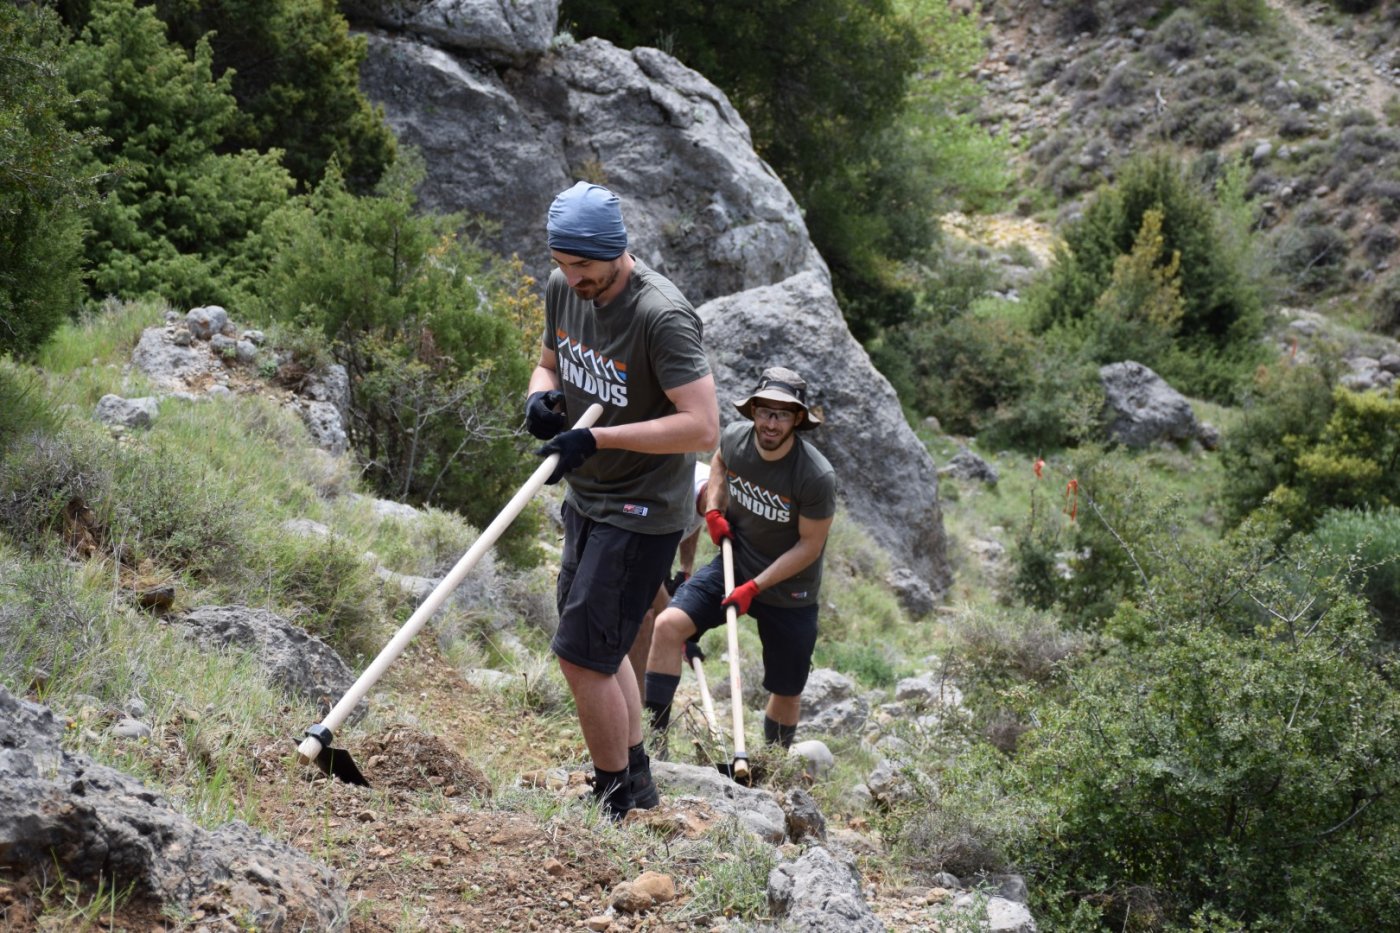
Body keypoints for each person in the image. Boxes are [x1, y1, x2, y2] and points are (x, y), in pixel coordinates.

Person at [524, 181, 718, 820]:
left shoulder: (661, 316)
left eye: (583, 265)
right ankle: (636, 782)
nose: (571, 276)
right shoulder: (563, 289)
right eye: (561, 262)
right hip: (587, 497)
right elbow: (549, 363)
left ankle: (609, 802)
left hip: (642, 512)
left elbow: (702, 427)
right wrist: (541, 397)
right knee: (600, 652)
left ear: (616, 251)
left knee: (581, 656)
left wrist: (597, 436)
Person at [643, 366, 836, 752]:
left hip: (789, 590)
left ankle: (770, 765)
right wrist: (714, 509)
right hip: (736, 563)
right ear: (753, 412)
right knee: (667, 626)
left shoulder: (815, 476)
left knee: (787, 687)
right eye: (764, 411)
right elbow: (718, 461)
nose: (771, 422)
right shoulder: (736, 439)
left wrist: (756, 587)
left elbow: (809, 547)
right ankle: (654, 744)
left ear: (798, 419)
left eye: (782, 414)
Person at [627, 461, 709, 711]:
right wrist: (682, 630)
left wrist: (685, 568)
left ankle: (642, 705)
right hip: (632, 539)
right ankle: (636, 709)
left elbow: (695, 521)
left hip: (659, 545)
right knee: (643, 620)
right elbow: (647, 573)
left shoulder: (708, 492)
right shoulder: (678, 493)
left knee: (655, 622)